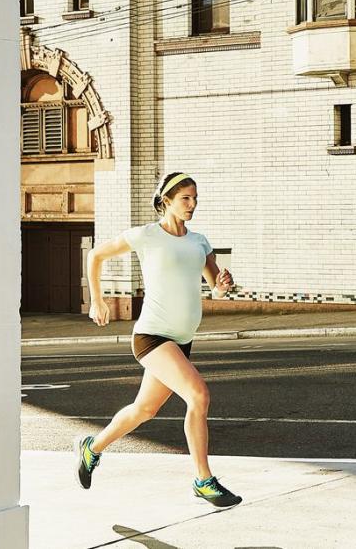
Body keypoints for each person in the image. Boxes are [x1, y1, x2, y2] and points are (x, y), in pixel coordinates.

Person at [73, 171, 242, 508]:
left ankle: (92, 447)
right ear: (166, 200)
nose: (192, 205)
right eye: (186, 198)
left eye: (195, 198)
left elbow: (217, 289)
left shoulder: (199, 242)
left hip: (182, 340)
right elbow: (96, 256)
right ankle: (203, 480)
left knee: (144, 409)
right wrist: (98, 299)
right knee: (198, 395)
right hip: (151, 336)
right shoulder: (146, 235)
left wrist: (225, 282)